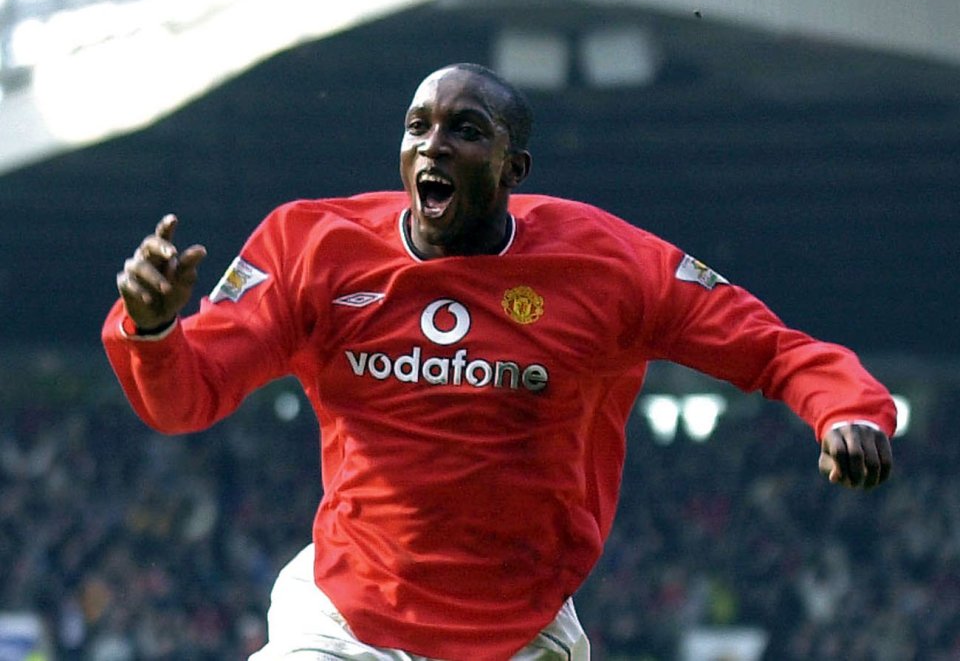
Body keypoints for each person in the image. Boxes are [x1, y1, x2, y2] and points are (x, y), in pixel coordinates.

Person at [102, 63, 896, 660]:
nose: (433, 145)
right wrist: (152, 324)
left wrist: (846, 407)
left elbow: (770, 347)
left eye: (465, 129)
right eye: (418, 126)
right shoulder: (314, 247)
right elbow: (187, 397)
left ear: (515, 169)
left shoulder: (611, 265)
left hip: (519, 631)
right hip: (346, 622)